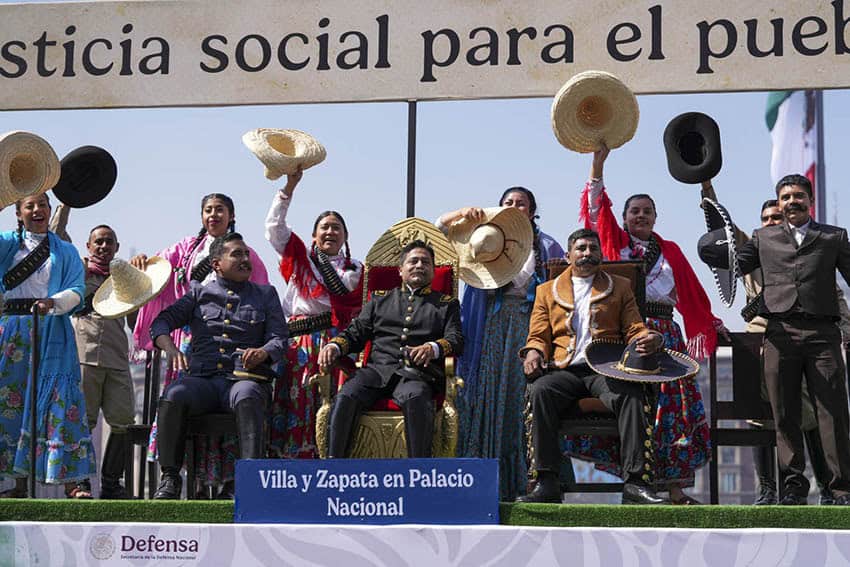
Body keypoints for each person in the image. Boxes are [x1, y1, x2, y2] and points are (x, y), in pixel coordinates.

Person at [575, 145, 722, 504]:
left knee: (674, 411)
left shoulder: (670, 250)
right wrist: (598, 163)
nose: (641, 216)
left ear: (656, 217)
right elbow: (596, 206)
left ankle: (675, 489)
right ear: (624, 218)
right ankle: (635, 482)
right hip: (625, 336)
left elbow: (692, 291)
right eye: (634, 211)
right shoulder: (613, 243)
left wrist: (710, 322)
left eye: (647, 211)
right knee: (633, 405)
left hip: (666, 337)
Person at [702, 188, 850, 505]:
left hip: (812, 336)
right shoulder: (755, 244)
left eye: (777, 217)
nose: (772, 221)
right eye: (766, 217)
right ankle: (771, 488)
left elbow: (835, 296)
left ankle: (829, 487)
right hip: (763, 338)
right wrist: (706, 187)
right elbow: (723, 231)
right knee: (766, 415)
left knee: (817, 414)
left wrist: (844, 331)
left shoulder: (814, 248)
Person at [131, 193, 269, 499]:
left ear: (232, 215)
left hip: (236, 351)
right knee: (178, 400)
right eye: (208, 210)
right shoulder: (186, 249)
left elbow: (259, 309)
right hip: (191, 343)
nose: (213, 215)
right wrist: (142, 262)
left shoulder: (248, 256)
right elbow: (157, 270)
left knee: (240, 399)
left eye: (220, 210)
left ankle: (234, 483)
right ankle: (178, 480)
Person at [518, 228, 668, 504]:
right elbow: (538, 335)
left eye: (593, 249)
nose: (588, 254)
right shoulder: (546, 291)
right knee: (540, 391)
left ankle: (635, 483)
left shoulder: (620, 286)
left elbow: (634, 328)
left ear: (601, 253)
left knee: (632, 395)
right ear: (568, 255)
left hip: (606, 369)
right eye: (581, 248)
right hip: (564, 370)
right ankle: (547, 480)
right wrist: (533, 352)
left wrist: (649, 338)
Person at [436, 187, 564, 500]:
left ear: (532, 211)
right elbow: (438, 230)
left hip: (532, 328)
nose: (514, 206)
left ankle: (530, 480)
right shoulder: (483, 236)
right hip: (491, 327)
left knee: (524, 399)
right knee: (488, 395)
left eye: (521, 203)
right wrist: (462, 214)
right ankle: (481, 479)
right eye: (508, 202)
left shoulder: (546, 246)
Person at [150, 233, 286, 499]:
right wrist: (170, 348)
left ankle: (248, 481)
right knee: (174, 396)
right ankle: (169, 478)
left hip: (241, 380)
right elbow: (161, 322)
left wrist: (264, 352)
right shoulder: (199, 293)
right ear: (216, 264)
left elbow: (279, 338)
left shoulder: (265, 294)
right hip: (203, 381)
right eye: (237, 254)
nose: (245, 259)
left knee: (248, 395)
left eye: (246, 254)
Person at [318, 240, 463, 459]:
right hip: (375, 372)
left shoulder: (446, 304)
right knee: (346, 395)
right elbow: (355, 333)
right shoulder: (379, 300)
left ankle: (418, 471)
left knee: (417, 397)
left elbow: (456, 339)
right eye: (413, 261)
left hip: (416, 375)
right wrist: (334, 346)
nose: (419, 266)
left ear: (433, 271)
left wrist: (433, 348)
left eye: (425, 262)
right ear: (401, 269)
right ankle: (333, 469)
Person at [0, 193, 95, 498]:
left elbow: (78, 289)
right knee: (12, 400)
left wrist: (55, 302)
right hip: (13, 332)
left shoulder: (65, 250)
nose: (38, 210)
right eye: (30, 205)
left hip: (52, 327)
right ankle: (17, 483)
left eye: (43, 204)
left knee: (59, 400)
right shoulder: (6, 244)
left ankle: (70, 483)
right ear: (18, 213)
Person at [264, 168, 363, 459]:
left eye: (336, 228)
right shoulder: (299, 258)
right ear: (313, 235)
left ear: (345, 236)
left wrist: (319, 262)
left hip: (333, 345)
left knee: (328, 406)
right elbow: (274, 228)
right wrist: (288, 188)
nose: (330, 231)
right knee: (295, 404)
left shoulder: (354, 269)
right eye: (325, 227)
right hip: (298, 345)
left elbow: (344, 294)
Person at [51, 204, 138, 499]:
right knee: (82, 421)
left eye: (108, 241)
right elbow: (57, 235)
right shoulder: (77, 270)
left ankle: (112, 483)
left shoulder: (122, 279)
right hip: (83, 356)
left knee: (123, 421)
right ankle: (79, 483)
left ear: (116, 247)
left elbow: (134, 321)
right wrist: (67, 202)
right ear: (88, 246)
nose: (103, 246)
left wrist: (139, 287)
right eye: (98, 241)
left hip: (116, 358)